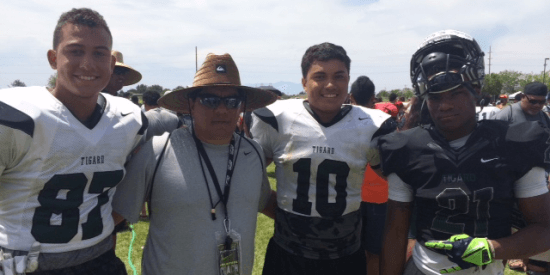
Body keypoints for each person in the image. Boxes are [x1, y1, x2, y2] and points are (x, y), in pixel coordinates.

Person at [378, 29, 550, 275]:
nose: (445, 105)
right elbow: (395, 232)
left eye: (456, 92)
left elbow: (544, 229)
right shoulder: (407, 147)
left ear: (476, 89)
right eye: (435, 96)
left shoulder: (515, 142)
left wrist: (493, 249)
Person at [0, 8, 147, 274]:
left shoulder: (129, 119)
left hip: (100, 258)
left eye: (99, 53)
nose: (88, 64)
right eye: (76, 51)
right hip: (27, 263)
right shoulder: (15, 118)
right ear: (53, 58)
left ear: (111, 64)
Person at [112, 53, 277, 275]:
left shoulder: (253, 151)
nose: (221, 110)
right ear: (191, 104)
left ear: (241, 107)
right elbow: (111, 220)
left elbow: (265, 201)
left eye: (231, 101)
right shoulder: (157, 151)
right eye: (210, 100)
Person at [251, 42, 395, 275]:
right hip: (288, 255)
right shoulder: (276, 119)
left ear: (348, 80)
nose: (330, 84)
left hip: (346, 256)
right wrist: (272, 206)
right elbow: (248, 174)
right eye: (320, 76)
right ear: (304, 83)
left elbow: (399, 185)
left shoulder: (371, 125)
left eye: (339, 76)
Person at [350, 75, 395, 275]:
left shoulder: (344, 123)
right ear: (373, 98)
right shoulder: (385, 123)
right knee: (376, 252)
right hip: (381, 196)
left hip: (352, 196)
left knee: (353, 250)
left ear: (351, 97)